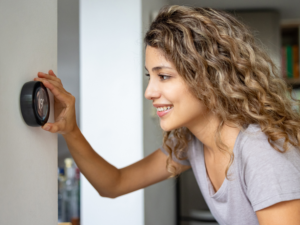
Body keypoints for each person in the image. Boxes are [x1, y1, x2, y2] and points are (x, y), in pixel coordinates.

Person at [34, 5, 300, 225]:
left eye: (164, 76)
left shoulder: (261, 151)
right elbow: (114, 184)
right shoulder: (192, 143)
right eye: (150, 76)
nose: (149, 92)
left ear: (209, 77)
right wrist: (71, 131)